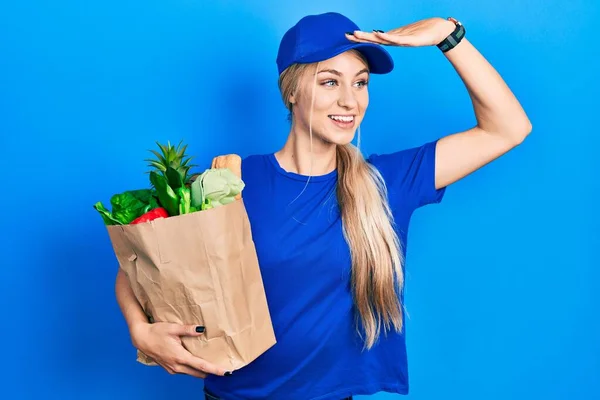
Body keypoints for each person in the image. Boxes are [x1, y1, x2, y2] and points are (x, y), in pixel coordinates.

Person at [115, 11, 532, 400]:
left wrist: (448, 35)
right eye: (330, 81)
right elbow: (143, 262)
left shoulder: (385, 183)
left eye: (361, 82)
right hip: (232, 394)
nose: (350, 101)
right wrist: (140, 330)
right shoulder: (232, 180)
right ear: (292, 91)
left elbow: (508, 127)